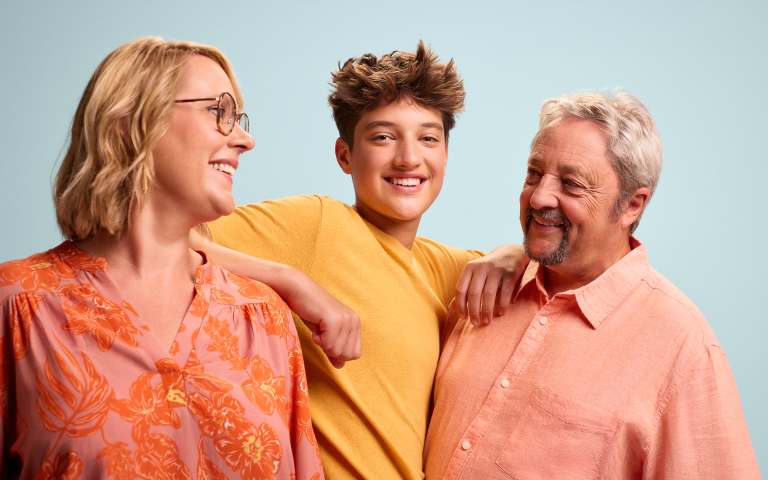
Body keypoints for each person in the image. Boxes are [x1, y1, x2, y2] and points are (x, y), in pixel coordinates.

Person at [0, 37, 359, 479]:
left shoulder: (264, 319)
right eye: (218, 112)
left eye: (238, 117)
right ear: (129, 123)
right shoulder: (18, 306)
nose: (245, 139)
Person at [193, 42, 528, 479]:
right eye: (384, 137)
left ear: (446, 154)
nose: (409, 157)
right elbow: (152, 241)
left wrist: (515, 252)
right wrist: (290, 280)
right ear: (345, 155)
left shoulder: (447, 268)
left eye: (428, 138)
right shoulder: (317, 224)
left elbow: (549, 275)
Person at [423, 91, 761, 479]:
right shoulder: (478, 292)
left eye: (571, 183)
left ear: (632, 205)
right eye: (534, 173)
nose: (539, 196)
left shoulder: (684, 349)